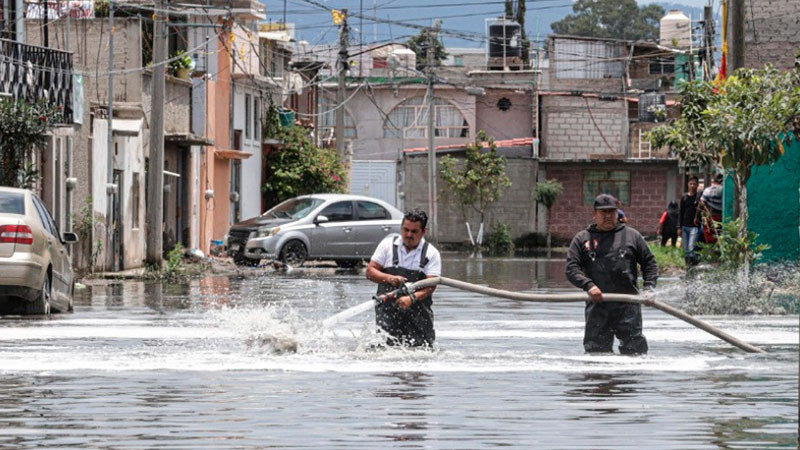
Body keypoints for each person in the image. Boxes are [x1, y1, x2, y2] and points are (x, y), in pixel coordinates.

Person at [566, 194, 658, 355]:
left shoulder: (632, 236)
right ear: (594, 214)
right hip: (598, 305)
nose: (608, 216)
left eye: (611, 212)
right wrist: (588, 285)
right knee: (596, 353)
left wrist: (648, 288)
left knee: (635, 352)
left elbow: (649, 263)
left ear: (617, 213)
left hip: (628, 304)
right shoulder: (582, 239)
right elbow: (571, 268)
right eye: (603, 212)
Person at [366, 209, 441, 348]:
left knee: (420, 352)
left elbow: (431, 285)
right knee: (385, 350)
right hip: (387, 316)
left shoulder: (431, 253)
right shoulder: (387, 246)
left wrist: (411, 299)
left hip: (418, 320)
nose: (408, 235)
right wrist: (389, 278)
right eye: (406, 230)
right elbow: (370, 272)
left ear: (423, 232)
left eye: (414, 231)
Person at [679, 175, 701, 265]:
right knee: (686, 250)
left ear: (697, 185)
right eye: (691, 184)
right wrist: (678, 227)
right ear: (688, 184)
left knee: (691, 248)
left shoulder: (699, 197)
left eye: (694, 184)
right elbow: (680, 212)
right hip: (684, 226)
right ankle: (688, 268)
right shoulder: (684, 197)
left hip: (694, 227)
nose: (692, 186)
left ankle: (693, 265)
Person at [696, 173, 723, 244]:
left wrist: (696, 217)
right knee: (720, 238)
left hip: (710, 218)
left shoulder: (708, 190)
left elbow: (701, 204)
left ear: (713, 181)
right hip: (721, 218)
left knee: (710, 238)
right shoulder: (724, 190)